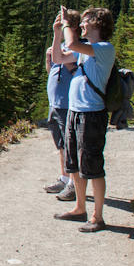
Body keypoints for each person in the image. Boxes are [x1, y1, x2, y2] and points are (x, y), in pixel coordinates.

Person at [51, 7, 115, 233]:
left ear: (98, 23)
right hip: (75, 111)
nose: (81, 25)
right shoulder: (85, 50)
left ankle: (98, 217)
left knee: (93, 166)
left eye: (85, 22)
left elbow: (72, 44)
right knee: (75, 164)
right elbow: (58, 58)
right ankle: (80, 208)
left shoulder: (104, 48)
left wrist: (67, 25)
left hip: (91, 114)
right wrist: (57, 32)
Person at [43, 10, 81, 201]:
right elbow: (51, 70)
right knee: (61, 144)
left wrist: (58, 44)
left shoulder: (79, 48)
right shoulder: (61, 47)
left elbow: (71, 68)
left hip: (68, 104)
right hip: (55, 103)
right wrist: (49, 57)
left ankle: (74, 184)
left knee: (71, 145)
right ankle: (64, 178)